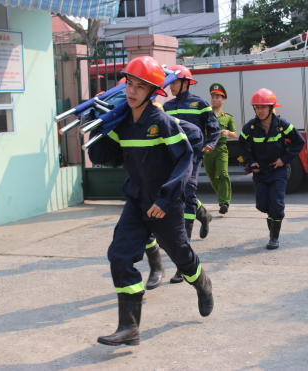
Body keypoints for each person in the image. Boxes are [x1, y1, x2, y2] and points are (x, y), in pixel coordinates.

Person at [87, 56, 214, 346]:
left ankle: (203, 283)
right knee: (119, 255)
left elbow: (185, 159)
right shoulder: (122, 124)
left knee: (182, 257)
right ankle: (129, 326)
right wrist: (95, 122)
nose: (131, 91)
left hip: (164, 205)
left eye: (139, 86)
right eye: (129, 83)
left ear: (153, 89)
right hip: (136, 200)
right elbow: (104, 156)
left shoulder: (162, 122)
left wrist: (167, 197)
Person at [163, 65, 221, 283]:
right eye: (169, 83)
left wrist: (211, 144)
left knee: (186, 192)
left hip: (193, 157)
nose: (170, 87)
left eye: (174, 83)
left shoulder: (200, 103)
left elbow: (213, 127)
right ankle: (204, 215)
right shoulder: (166, 106)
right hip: (173, 159)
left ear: (186, 83)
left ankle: (182, 262)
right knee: (183, 196)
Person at [143, 102, 205, 289]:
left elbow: (190, 156)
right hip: (151, 185)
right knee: (144, 228)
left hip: (175, 183)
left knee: (177, 234)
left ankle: (186, 270)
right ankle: (156, 267)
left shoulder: (185, 130)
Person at [238, 88, 305, 249]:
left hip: (278, 171)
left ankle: (274, 237)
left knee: (276, 204)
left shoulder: (282, 125)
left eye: (263, 107)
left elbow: (299, 142)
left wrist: (284, 159)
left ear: (271, 107)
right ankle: (272, 219)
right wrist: (251, 162)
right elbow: (242, 146)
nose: (260, 111)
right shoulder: (250, 128)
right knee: (262, 205)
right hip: (260, 173)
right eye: (257, 107)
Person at [204, 83, 237, 214]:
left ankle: (224, 202)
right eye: (212, 96)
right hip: (208, 149)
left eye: (217, 96)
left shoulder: (227, 117)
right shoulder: (206, 115)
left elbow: (235, 135)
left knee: (223, 174)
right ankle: (222, 195)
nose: (214, 99)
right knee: (212, 176)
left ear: (223, 99)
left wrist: (228, 132)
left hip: (222, 148)